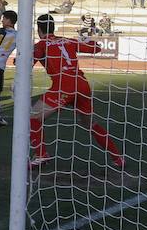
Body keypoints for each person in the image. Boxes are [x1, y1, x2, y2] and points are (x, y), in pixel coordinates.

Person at [29, 13, 124, 168]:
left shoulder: (41, 45)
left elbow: (28, 64)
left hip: (64, 86)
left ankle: (41, 155)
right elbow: (97, 48)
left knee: (33, 118)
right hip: (82, 85)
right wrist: (86, 39)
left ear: (38, 29)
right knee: (91, 124)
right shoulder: (68, 40)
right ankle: (117, 157)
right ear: (53, 27)